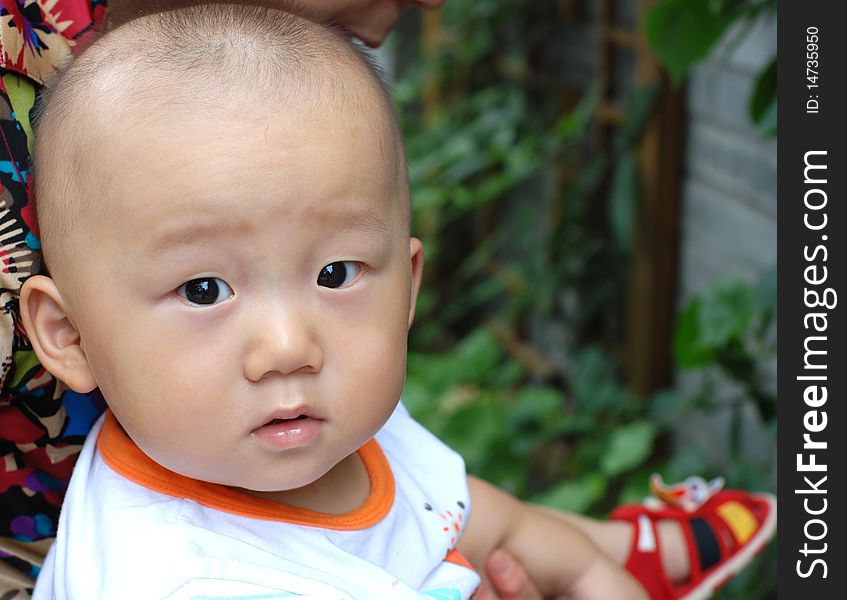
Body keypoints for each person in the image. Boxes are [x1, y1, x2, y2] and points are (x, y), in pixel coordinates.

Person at [0, 1, 776, 598]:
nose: (289, 345)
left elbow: (479, 516)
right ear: (67, 335)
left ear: (408, 283)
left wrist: (593, 576)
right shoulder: (180, 575)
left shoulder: (328, 432)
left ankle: (625, 549)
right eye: (205, 290)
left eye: (336, 274)